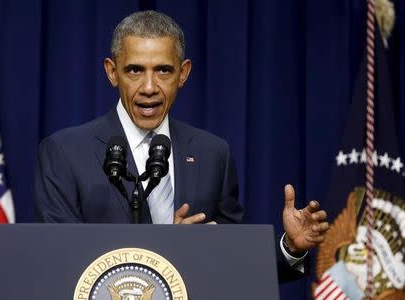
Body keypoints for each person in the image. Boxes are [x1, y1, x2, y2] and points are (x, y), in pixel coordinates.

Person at [35, 10, 329, 282]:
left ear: (183, 73)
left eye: (163, 70)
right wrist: (172, 251)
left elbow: (237, 264)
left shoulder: (212, 153)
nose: (149, 87)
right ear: (112, 72)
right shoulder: (65, 153)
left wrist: (290, 247)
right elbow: (60, 264)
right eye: (135, 70)